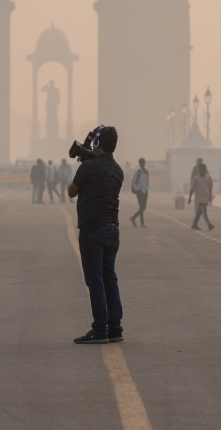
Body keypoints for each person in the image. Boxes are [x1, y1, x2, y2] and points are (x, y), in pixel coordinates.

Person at [67, 126, 124, 344]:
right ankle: (115, 328)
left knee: (96, 281)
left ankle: (100, 329)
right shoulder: (118, 170)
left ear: (97, 142)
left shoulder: (89, 168)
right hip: (112, 229)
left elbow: (71, 191)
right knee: (110, 278)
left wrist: (84, 163)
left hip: (93, 230)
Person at [188, 163, 215, 231]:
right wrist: (189, 198)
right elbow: (192, 189)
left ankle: (194, 224)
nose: (200, 171)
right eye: (199, 170)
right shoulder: (196, 179)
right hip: (199, 198)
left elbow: (210, 188)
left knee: (200, 212)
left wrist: (210, 197)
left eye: (201, 170)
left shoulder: (209, 178)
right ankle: (209, 224)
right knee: (204, 211)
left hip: (205, 198)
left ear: (205, 170)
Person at [130, 158, 149, 227]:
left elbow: (147, 182)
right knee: (142, 207)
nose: (142, 164)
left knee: (143, 207)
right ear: (139, 164)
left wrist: (147, 190)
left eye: (143, 163)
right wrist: (138, 189)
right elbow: (133, 182)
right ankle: (142, 223)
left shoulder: (146, 172)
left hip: (145, 191)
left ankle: (133, 218)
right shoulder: (137, 172)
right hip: (139, 192)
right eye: (141, 163)